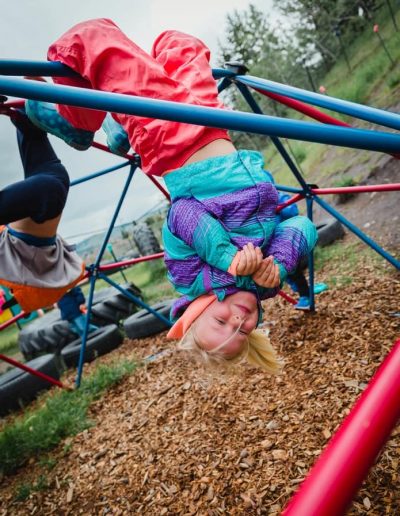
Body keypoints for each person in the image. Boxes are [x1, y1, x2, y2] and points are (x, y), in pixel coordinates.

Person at [24, 18, 318, 374]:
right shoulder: (265, 284)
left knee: (93, 38)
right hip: (212, 128)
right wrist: (281, 263)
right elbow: (302, 224)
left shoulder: (191, 280)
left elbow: (183, 216)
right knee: (180, 43)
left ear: (196, 311)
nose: (238, 319)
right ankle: (121, 126)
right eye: (243, 331)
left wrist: (227, 258)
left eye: (221, 323)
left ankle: (78, 121)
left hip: (171, 141)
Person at [0, 106, 85, 313]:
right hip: (46, 191)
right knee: (29, 120)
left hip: (52, 181)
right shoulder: (23, 258)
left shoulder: (28, 264)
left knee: (27, 120)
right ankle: (27, 106)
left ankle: (22, 109)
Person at [277, 193, 328, 310]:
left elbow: (292, 211)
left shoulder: (277, 196)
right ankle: (303, 289)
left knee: (294, 272)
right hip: (273, 247)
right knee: (287, 275)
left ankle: (305, 295)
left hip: (287, 243)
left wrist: (278, 206)